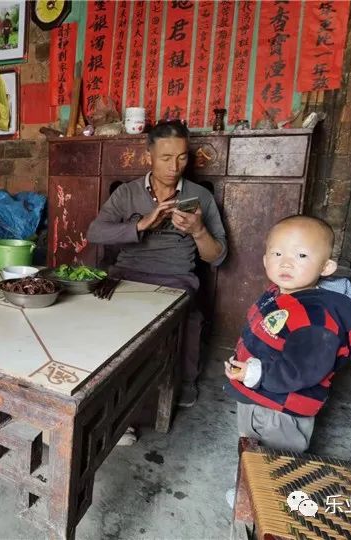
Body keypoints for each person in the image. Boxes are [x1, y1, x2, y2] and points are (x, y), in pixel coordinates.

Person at [87, 120, 227, 424]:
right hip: (126, 274)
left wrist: (199, 231)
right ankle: (105, 385)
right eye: (165, 158)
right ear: (148, 155)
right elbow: (95, 233)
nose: (174, 167)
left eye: (182, 157)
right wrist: (142, 224)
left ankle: (183, 382)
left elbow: (218, 257)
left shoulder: (199, 196)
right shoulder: (127, 193)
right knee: (102, 315)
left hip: (176, 279)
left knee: (185, 316)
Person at [224, 215, 351, 454]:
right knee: (251, 449)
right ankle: (248, 476)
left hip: (281, 410)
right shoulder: (277, 293)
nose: (286, 263)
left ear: (326, 267)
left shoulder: (316, 319)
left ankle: (265, 479)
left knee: (276, 460)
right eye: (277, 254)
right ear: (265, 260)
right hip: (259, 393)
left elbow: (303, 371)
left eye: (301, 255)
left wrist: (254, 373)